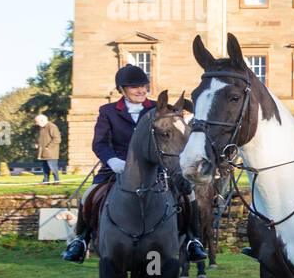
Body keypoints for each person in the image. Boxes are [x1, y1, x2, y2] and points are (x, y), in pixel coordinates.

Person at [61, 65, 208, 264]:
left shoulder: (159, 108)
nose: (141, 90)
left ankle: (193, 240)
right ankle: (81, 239)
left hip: (156, 168)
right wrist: (113, 161)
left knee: (188, 194)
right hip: (117, 167)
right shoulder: (108, 111)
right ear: (122, 89)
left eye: (143, 86)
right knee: (90, 194)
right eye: (134, 87)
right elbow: (100, 143)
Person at [34, 113, 61, 183]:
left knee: (53, 168)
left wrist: (48, 147)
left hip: (51, 153)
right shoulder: (41, 128)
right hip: (43, 153)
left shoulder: (52, 127)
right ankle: (45, 181)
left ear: (42, 120)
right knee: (45, 168)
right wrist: (38, 144)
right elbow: (41, 138)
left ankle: (57, 181)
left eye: (37, 122)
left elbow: (57, 139)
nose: (36, 124)